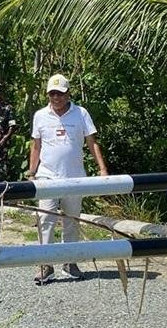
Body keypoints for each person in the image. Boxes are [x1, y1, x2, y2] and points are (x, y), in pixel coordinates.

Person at [27, 74, 109, 285]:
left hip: (74, 178)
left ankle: (70, 263)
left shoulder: (81, 114)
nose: (57, 97)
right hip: (47, 176)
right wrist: (31, 172)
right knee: (45, 220)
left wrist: (102, 169)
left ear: (68, 93)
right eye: (53, 93)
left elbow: (92, 142)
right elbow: (36, 146)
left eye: (60, 93)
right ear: (48, 94)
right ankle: (46, 265)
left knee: (72, 220)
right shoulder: (40, 116)